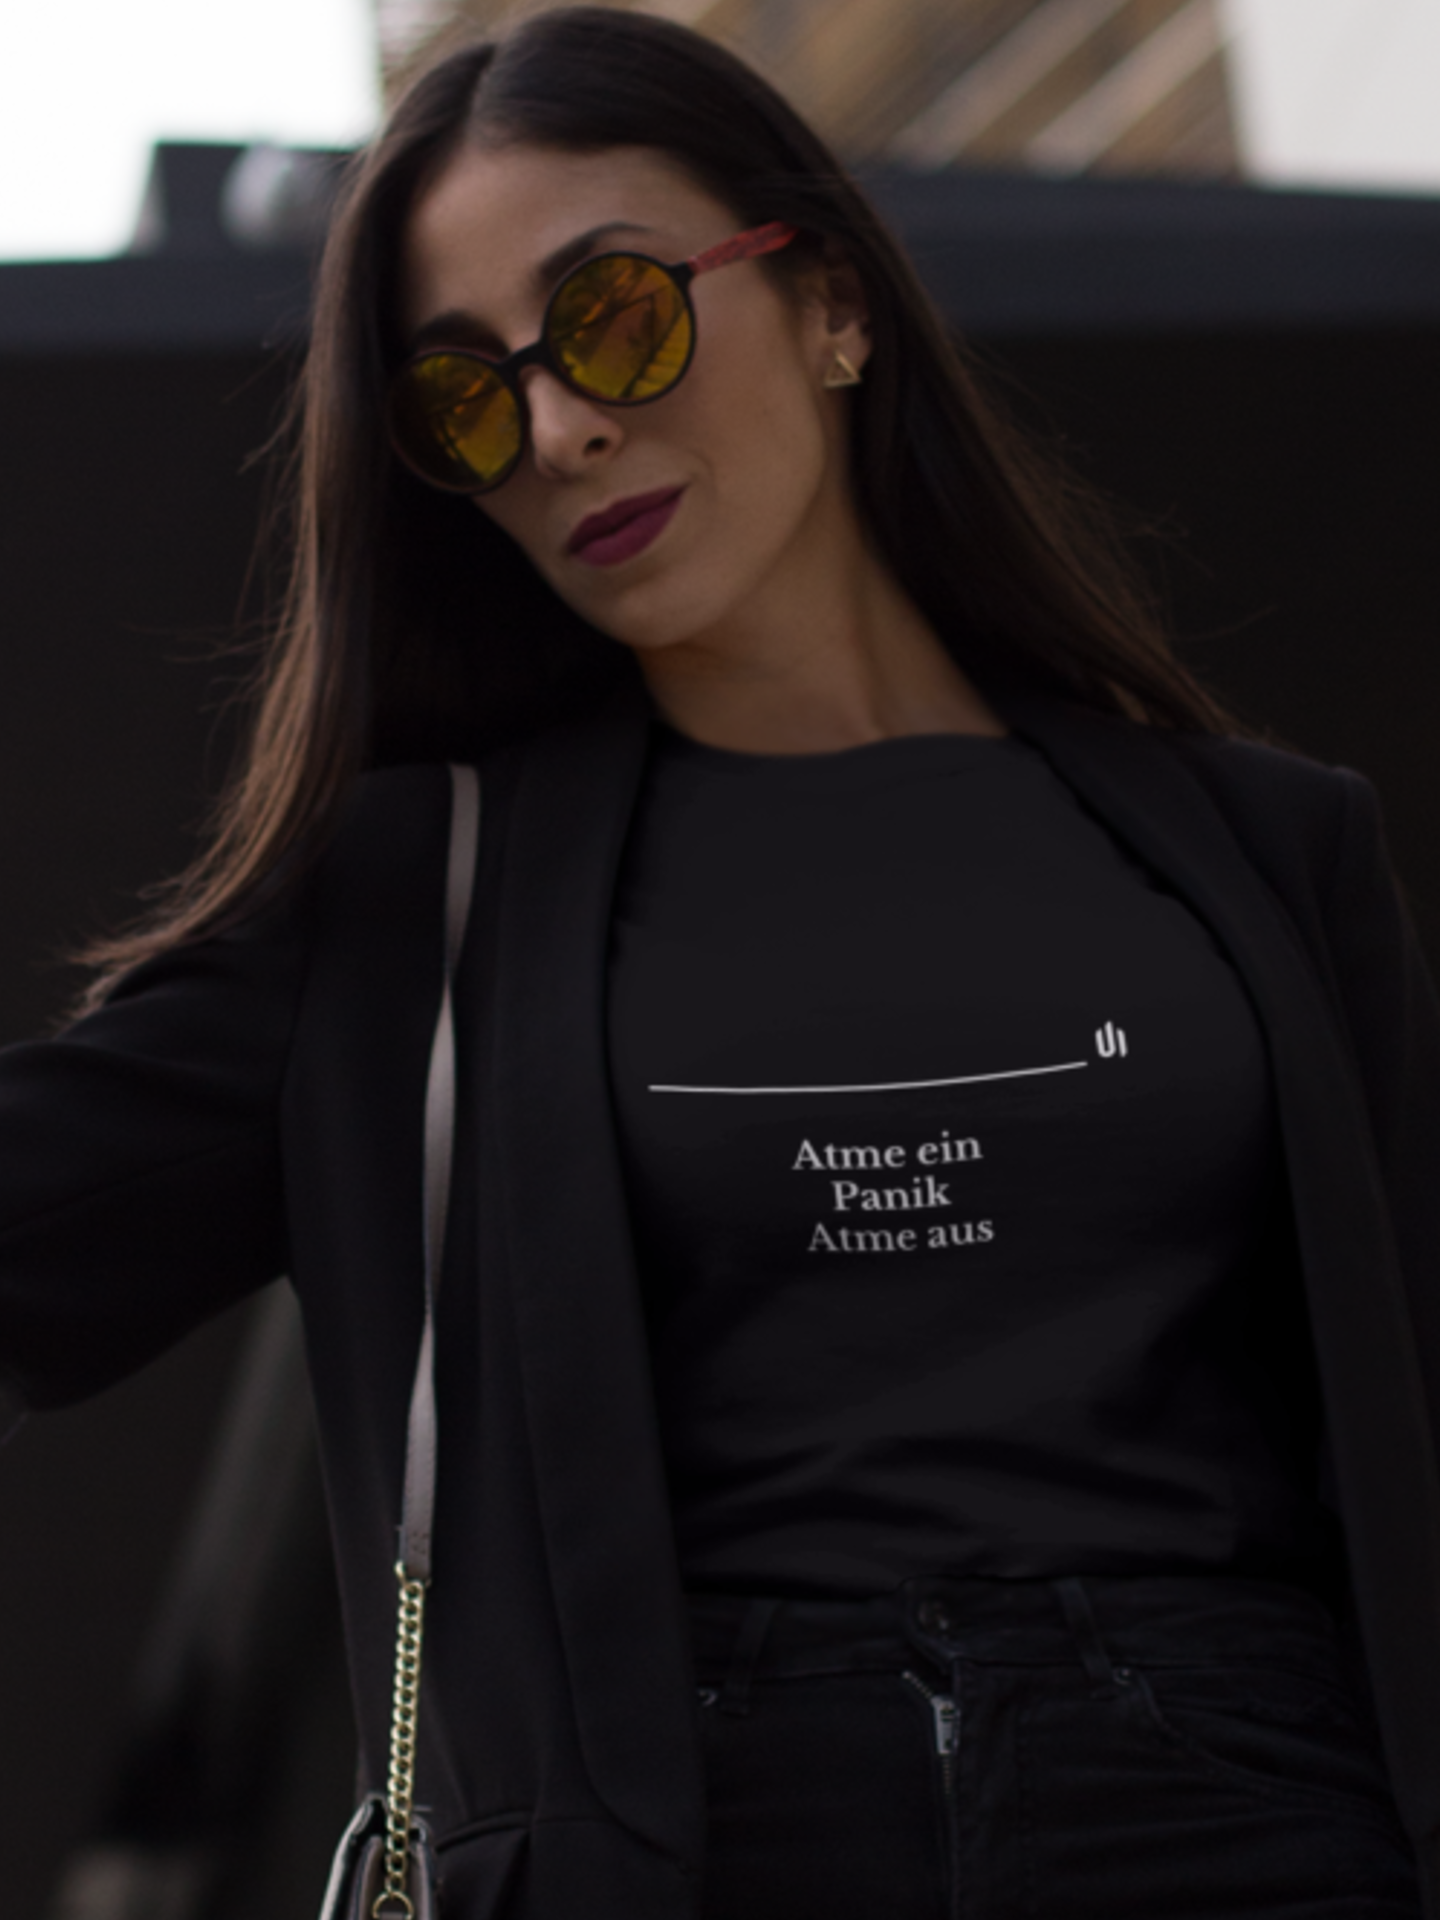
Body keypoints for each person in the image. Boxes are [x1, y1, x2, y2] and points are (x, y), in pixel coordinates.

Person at [3, 7, 1439, 1917]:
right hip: (693, 1847)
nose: (563, 423)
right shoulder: (403, 918)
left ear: (831, 300)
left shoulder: (1270, 851)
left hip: (1259, 1825)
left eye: (614, 314)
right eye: (466, 398)